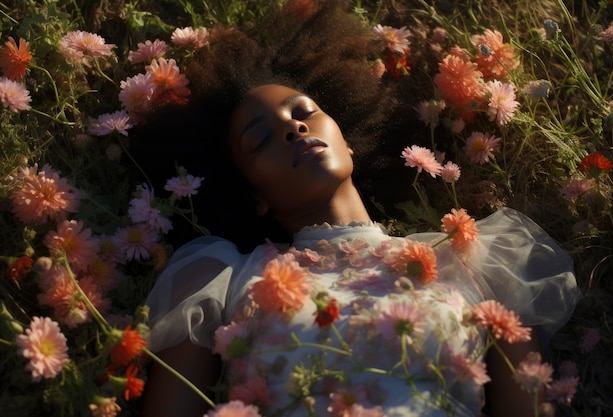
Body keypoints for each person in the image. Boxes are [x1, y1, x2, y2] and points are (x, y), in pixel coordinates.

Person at [134, 2, 581, 416]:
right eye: (261, 139)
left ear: (346, 137)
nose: (292, 126)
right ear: (254, 196)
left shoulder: (472, 262)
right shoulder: (222, 280)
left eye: (303, 111)